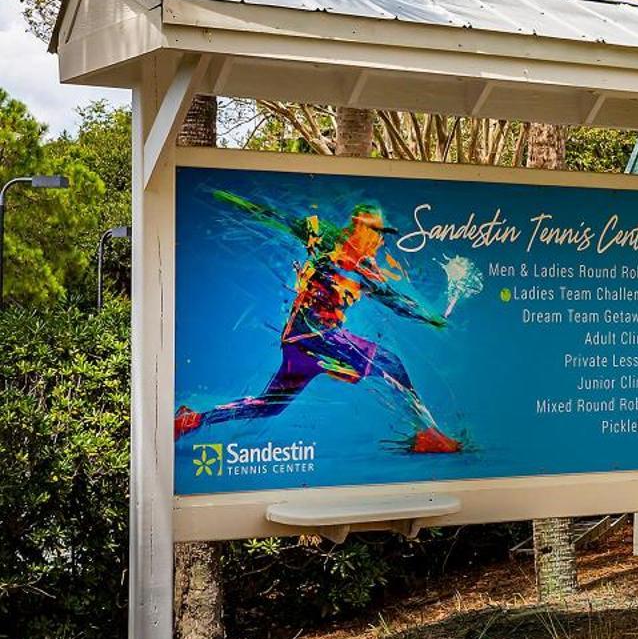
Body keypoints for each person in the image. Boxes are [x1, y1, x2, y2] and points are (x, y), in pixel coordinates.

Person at [174, 192, 461, 454]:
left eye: (383, 234)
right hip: (317, 336)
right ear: (358, 226)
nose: (380, 240)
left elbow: (394, 300)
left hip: (300, 343)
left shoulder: (367, 270)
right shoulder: (326, 239)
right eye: (376, 232)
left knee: (268, 406)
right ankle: (428, 434)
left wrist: (430, 318)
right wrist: (245, 205)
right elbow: (282, 220)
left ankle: (194, 419)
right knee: (392, 364)